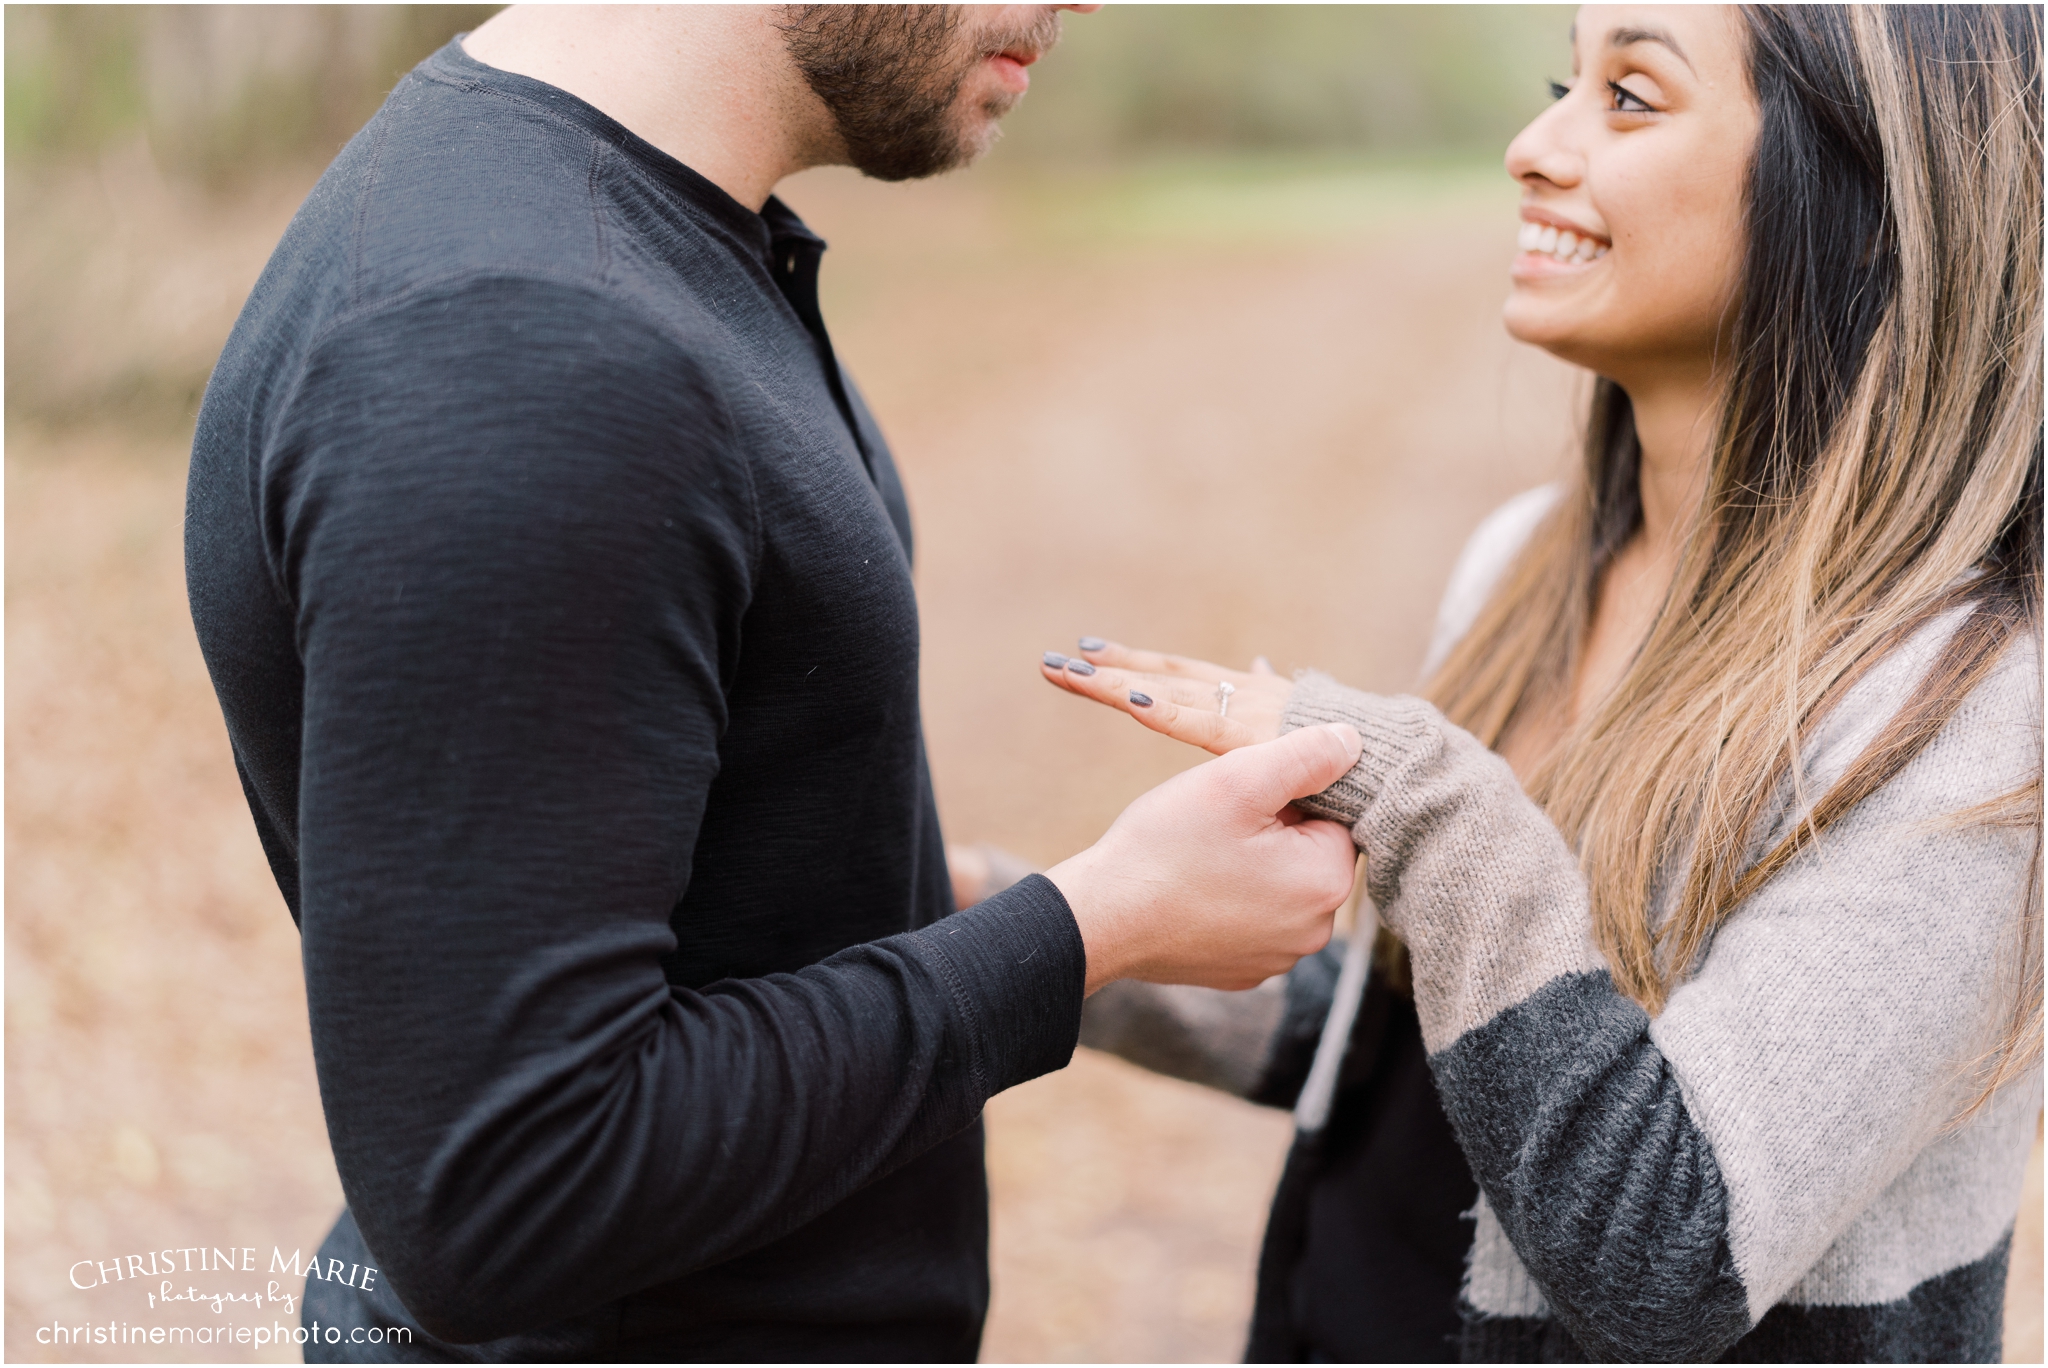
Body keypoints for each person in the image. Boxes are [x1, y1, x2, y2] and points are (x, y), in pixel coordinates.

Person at [182, 6, 1367, 1361]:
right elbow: (507, 1193)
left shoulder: (651, 227)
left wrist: (957, 886)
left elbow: (698, 862)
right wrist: (1097, 925)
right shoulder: (523, 340)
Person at [1038, 4, 2042, 1361]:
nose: (1532, 146)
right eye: (1560, 83)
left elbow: (1664, 1253)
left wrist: (1424, 795)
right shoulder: (1524, 565)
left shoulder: (1961, 718)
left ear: (1868, 199)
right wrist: (1036, 927)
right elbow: (1457, 1045)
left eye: (1629, 96)